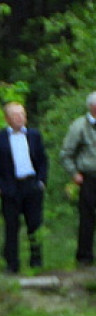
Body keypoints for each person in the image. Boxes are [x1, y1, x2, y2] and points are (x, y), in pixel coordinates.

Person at [0, 102, 47, 274]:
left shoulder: (34, 135)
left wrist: (41, 181)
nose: (20, 118)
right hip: (10, 187)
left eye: (22, 114)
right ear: (7, 118)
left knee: (35, 224)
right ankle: (12, 265)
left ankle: (37, 263)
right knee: (11, 227)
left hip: (32, 185)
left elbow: (42, 160)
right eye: (16, 115)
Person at [59, 91, 96, 269]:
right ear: (92, 107)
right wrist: (74, 173)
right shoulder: (79, 126)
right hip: (88, 177)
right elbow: (66, 153)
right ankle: (84, 257)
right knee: (87, 218)